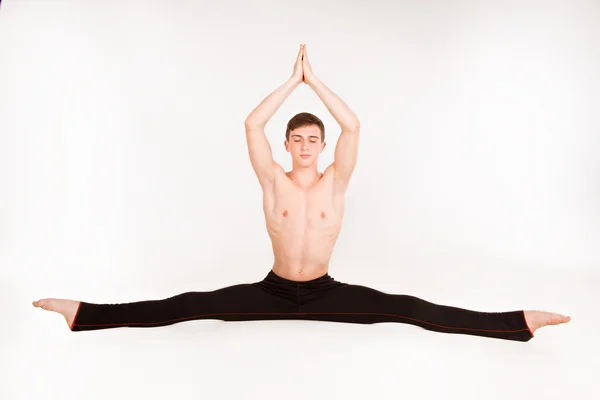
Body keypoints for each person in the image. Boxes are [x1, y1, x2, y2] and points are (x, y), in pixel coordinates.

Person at [33, 44, 570, 341]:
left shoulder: (337, 178)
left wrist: (318, 83)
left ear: (322, 144)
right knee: (186, 305)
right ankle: (80, 313)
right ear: (288, 145)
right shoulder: (273, 179)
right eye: (299, 139)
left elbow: (354, 127)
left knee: (411, 309)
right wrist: (292, 83)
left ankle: (520, 323)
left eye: (315, 138)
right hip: (270, 291)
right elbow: (250, 125)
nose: (308, 145)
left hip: (325, 292)